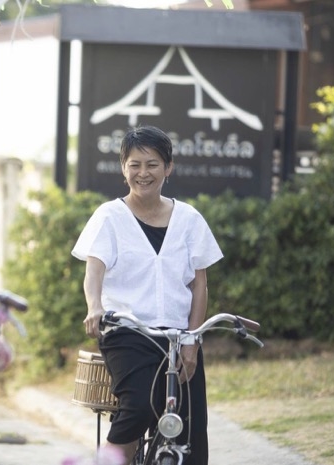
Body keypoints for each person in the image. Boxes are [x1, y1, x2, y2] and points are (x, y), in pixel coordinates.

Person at [71, 125, 223, 465]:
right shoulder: (109, 217)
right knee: (138, 405)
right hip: (127, 331)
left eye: (152, 164)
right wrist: (95, 307)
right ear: (123, 168)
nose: (143, 173)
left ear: (168, 168)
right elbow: (93, 271)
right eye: (135, 164)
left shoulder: (189, 219)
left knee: (190, 427)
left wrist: (192, 340)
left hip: (178, 335)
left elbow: (200, 284)